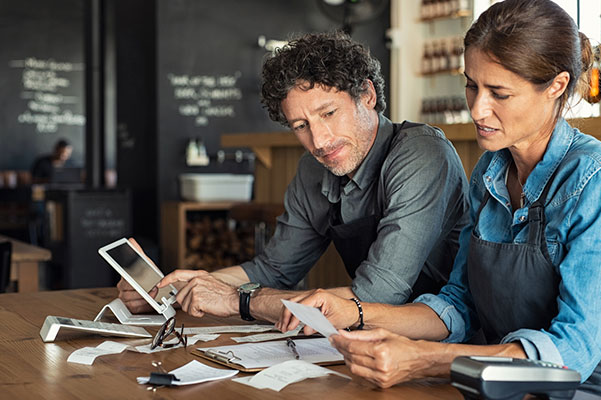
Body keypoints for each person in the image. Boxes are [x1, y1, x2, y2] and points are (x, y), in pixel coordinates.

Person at [279, 1, 601, 397]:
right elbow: (458, 303)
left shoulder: (600, 177)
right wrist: (355, 313)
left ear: (556, 86)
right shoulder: (489, 172)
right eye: (472, 85)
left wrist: (424, 359)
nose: (476, 108)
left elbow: (576, 349)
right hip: (492, 384)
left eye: (499, 93)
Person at [118, 31, 470, 323]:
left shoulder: (421, 154)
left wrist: (238, 301)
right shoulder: (313, 169)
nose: (319, 141)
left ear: (367, 95)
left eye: (329, 113)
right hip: (371, 340)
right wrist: (177, 287)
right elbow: (273, 269)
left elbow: (377, 295)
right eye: (301, 126)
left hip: (447, 339)